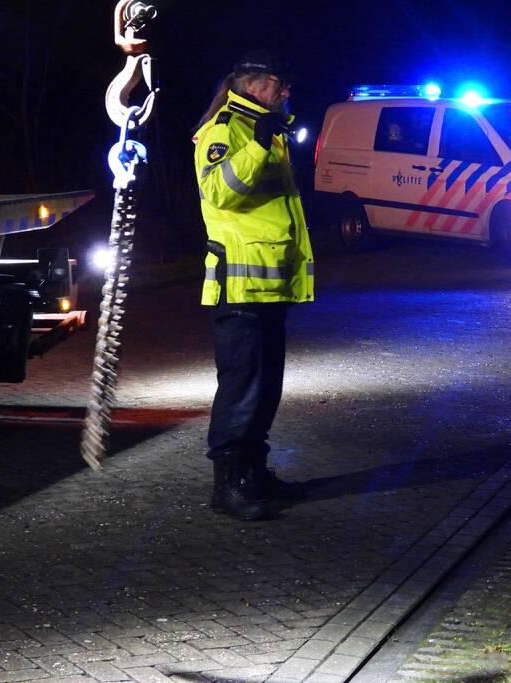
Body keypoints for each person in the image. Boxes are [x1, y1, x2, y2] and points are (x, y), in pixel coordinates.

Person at [192, 50, 314, 521]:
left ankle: (254, 474)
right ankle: (228, 487)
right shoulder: (224, 130)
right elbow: (221, 193)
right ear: (251, 83)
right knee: (242, 388)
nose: (286, 91)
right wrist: (258, 146)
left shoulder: (266, 129)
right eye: (279, 83)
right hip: (239, 286)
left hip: (267, 285)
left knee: (266, 389)